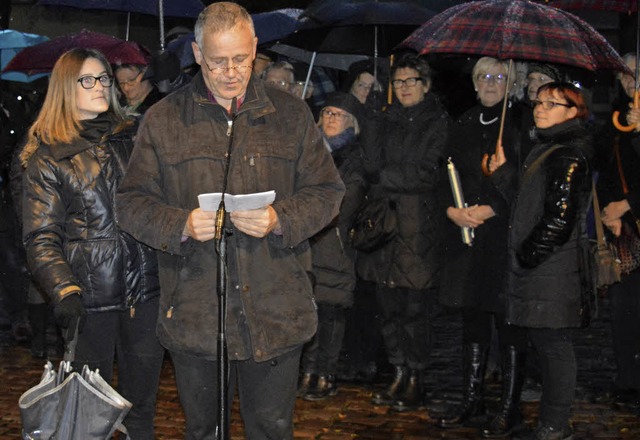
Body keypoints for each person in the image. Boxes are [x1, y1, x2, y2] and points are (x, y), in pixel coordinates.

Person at [115, 3, 345, 439]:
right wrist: (180, 224)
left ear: (255, 48)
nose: (231, 71)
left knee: (271, 428)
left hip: (276, 306)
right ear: (197, 54)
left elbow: (328, 192)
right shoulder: (163, 121)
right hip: (196, 310)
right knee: (204, 430)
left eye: (240, 58)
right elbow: (130, 203)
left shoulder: (291, 115)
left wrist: (281, 217)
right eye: (218, 60)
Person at [20, 48, 164, 439]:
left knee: (141, 407)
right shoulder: (48, 157)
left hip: (144, 294)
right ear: (67, 88)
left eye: (104, 78)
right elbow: (41, 235)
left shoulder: (132, 137)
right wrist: (63, 289)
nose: (100, 86)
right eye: (88, 79)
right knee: (86, 415)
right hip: (90, 300)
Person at [489, 82, 594, 440]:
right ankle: (551, 423)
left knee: (554, 347)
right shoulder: (547, 148)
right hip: (541, 267)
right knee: (545, 344)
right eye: (539, 101)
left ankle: (554, 424)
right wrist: (503, 174)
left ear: (572, 112)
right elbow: (527, 204)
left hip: (551, 269)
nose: (541, 108)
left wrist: (527, 255)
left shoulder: (567, 153)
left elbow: (558, 220)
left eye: (553, 103)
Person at [436, 57, 529, 438]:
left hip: (501, 236)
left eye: (498, 77)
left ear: (511, 84)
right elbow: (444, 171)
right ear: (474, 84)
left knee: (507, 323)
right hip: (467, 237)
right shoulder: (465, 122)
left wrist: (491, 208)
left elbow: (524, 179)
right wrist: (452, 210)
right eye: (484, 77)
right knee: (472, 319)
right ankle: (472, 400)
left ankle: (510, 407)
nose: (490, 83)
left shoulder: (521, 121)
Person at [357, 53, 449, 412]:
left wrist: (386, 177)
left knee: (414, 309)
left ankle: (416, 376)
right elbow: (370, 163)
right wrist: (374, 120)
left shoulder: (437, 121)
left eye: (412, 81)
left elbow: (427, 173)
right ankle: (398, 371)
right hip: (386, 226)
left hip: (418, 228)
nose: (405, 87)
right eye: (399, 82)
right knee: (389, 308)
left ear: (425, 85)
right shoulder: (385, 119)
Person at [298, 92, 365, 401]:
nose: (331, 119)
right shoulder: (308, 152)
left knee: (332, 311)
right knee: (310, 308)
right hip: (309, 243)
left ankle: (327, 372)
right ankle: (309, 370)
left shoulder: (354, 156)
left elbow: (345, 200)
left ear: (351, 121)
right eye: (327, 113)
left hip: (335, 243)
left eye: (338, 115)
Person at [596, 52, 640, 412]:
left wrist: (629, 203)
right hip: (626, 234)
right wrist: (610, 213)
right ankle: (628, 380)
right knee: (624, 308)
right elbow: (608, 173)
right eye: (626, 76)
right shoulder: (617, 122)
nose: (631, 82)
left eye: (637, 74)